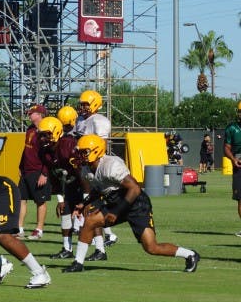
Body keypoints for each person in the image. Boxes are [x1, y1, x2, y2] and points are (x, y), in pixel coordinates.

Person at [62, 134, 199, 274]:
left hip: (136, 203)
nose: (81, 155)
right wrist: (84, 203)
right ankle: (78, 262)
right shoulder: (87, 169)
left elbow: (135, 188)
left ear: (97, 151)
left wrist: (116, 212)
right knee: (90, 221)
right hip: (115, 200)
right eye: (80, 152)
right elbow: (99, 188)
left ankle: (190, 254)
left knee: (151, 247)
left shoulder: (110, 165)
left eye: (85, 152)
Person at [74, 89, 117, 247]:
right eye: (82, 104)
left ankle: (108, 233)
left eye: (86, 104)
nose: (83, 108)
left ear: (95, 104)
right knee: (90, 198)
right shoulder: (80, 120)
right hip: (85, 163)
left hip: (97, 163)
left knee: (98, 198)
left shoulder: (99, 120)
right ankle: (106, 234)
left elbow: (101, 146)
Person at [39, 110, 82, 260]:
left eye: (46, 134)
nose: (43, 138)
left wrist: (85, 197)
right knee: (65, 214)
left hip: (84, 183)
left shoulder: (67, 145)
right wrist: (61, 199)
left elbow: (81, 171)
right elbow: (55, 177)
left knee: (90, 216)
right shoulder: (45, 152)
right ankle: (67, 248)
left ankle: (100, 249)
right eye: (41, 135)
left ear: (56, 132)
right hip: (69, 184)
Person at [16, 104, 50, 240]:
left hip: (38, 170)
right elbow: (26, 150)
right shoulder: (30, 129)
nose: (29, 115)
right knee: (21, 199)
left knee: (40, 201)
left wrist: (45, 173)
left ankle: (39, 230)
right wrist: (20, 165)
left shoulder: (47, 129)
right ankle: (19, 228)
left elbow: (49, 155)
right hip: (26, 170)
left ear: (40, 115)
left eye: (32, 113)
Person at [225, 101, 241, 236]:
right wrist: (233, 159)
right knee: (240, 198)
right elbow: (226, 147)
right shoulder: (232, 128)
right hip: (239, 166)